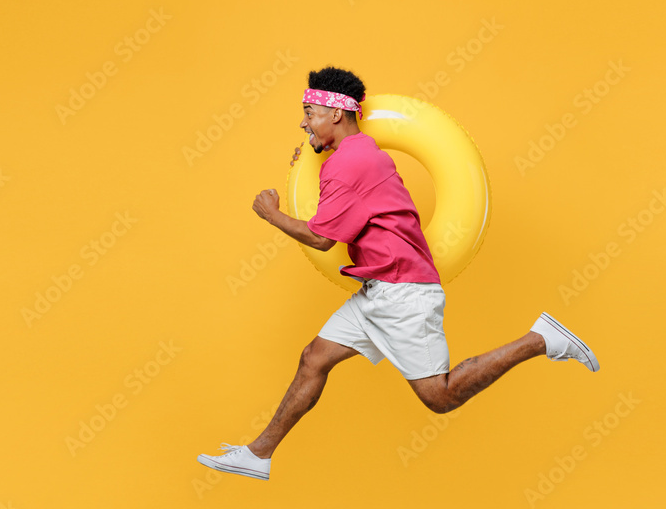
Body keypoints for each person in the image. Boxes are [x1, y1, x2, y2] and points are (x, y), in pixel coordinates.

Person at [196, 66, 600, 481]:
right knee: (313, 359)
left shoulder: (349, 163)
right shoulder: (359, 155)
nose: (303, 121)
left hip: (402, 290)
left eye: (310, 112)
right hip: (378, 287)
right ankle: (259, 454)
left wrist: (271, 214)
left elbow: (321, 239)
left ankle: (540, 340)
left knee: (440, 397)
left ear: (336, 114)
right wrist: (313, 157)